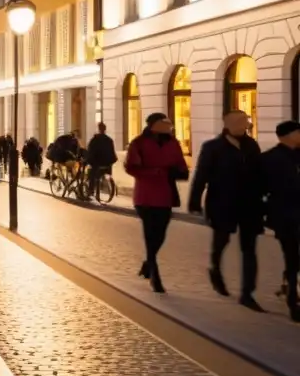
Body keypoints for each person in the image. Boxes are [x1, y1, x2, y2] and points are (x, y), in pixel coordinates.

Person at [188, 110, 265, 310]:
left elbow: (260, 173)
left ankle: (247, 293)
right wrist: (194, 202)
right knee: (221, 241)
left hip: (250, 204)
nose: (244, 125)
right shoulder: (212, 147)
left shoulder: (252, 145)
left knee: (249, 249)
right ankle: (215, 268)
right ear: (227, 124)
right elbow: (201, 175)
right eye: (239, 121)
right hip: (222, 203)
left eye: (245, 121)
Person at [125, 112, 189, 294]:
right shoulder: (138, 143)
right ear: (152, 125)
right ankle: (155, 276)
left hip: (166, 195)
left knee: (160, 235)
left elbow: (181, 163)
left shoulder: (173, 143)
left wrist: (180, 171)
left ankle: (148, 263)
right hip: (145, 196)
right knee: (150, 235)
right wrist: (155, 172)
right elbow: (131, 167)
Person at [262, 121, 300, 322]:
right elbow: (259, 189)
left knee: (294, 258)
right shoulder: (270, 159)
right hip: (286, 216)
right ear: (287, 135)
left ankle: (290, 288)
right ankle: (294, 300)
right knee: (292, 257)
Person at [85, 123, 118, 197]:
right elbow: (112, 153)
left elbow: (90, 152)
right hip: (107, 164)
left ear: (98, 129)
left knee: (91, 172)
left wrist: (88, 160)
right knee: (104, 170)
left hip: (97, 164)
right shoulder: (109, 140)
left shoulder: (95, 139)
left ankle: (91, 190)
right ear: (105, 129)